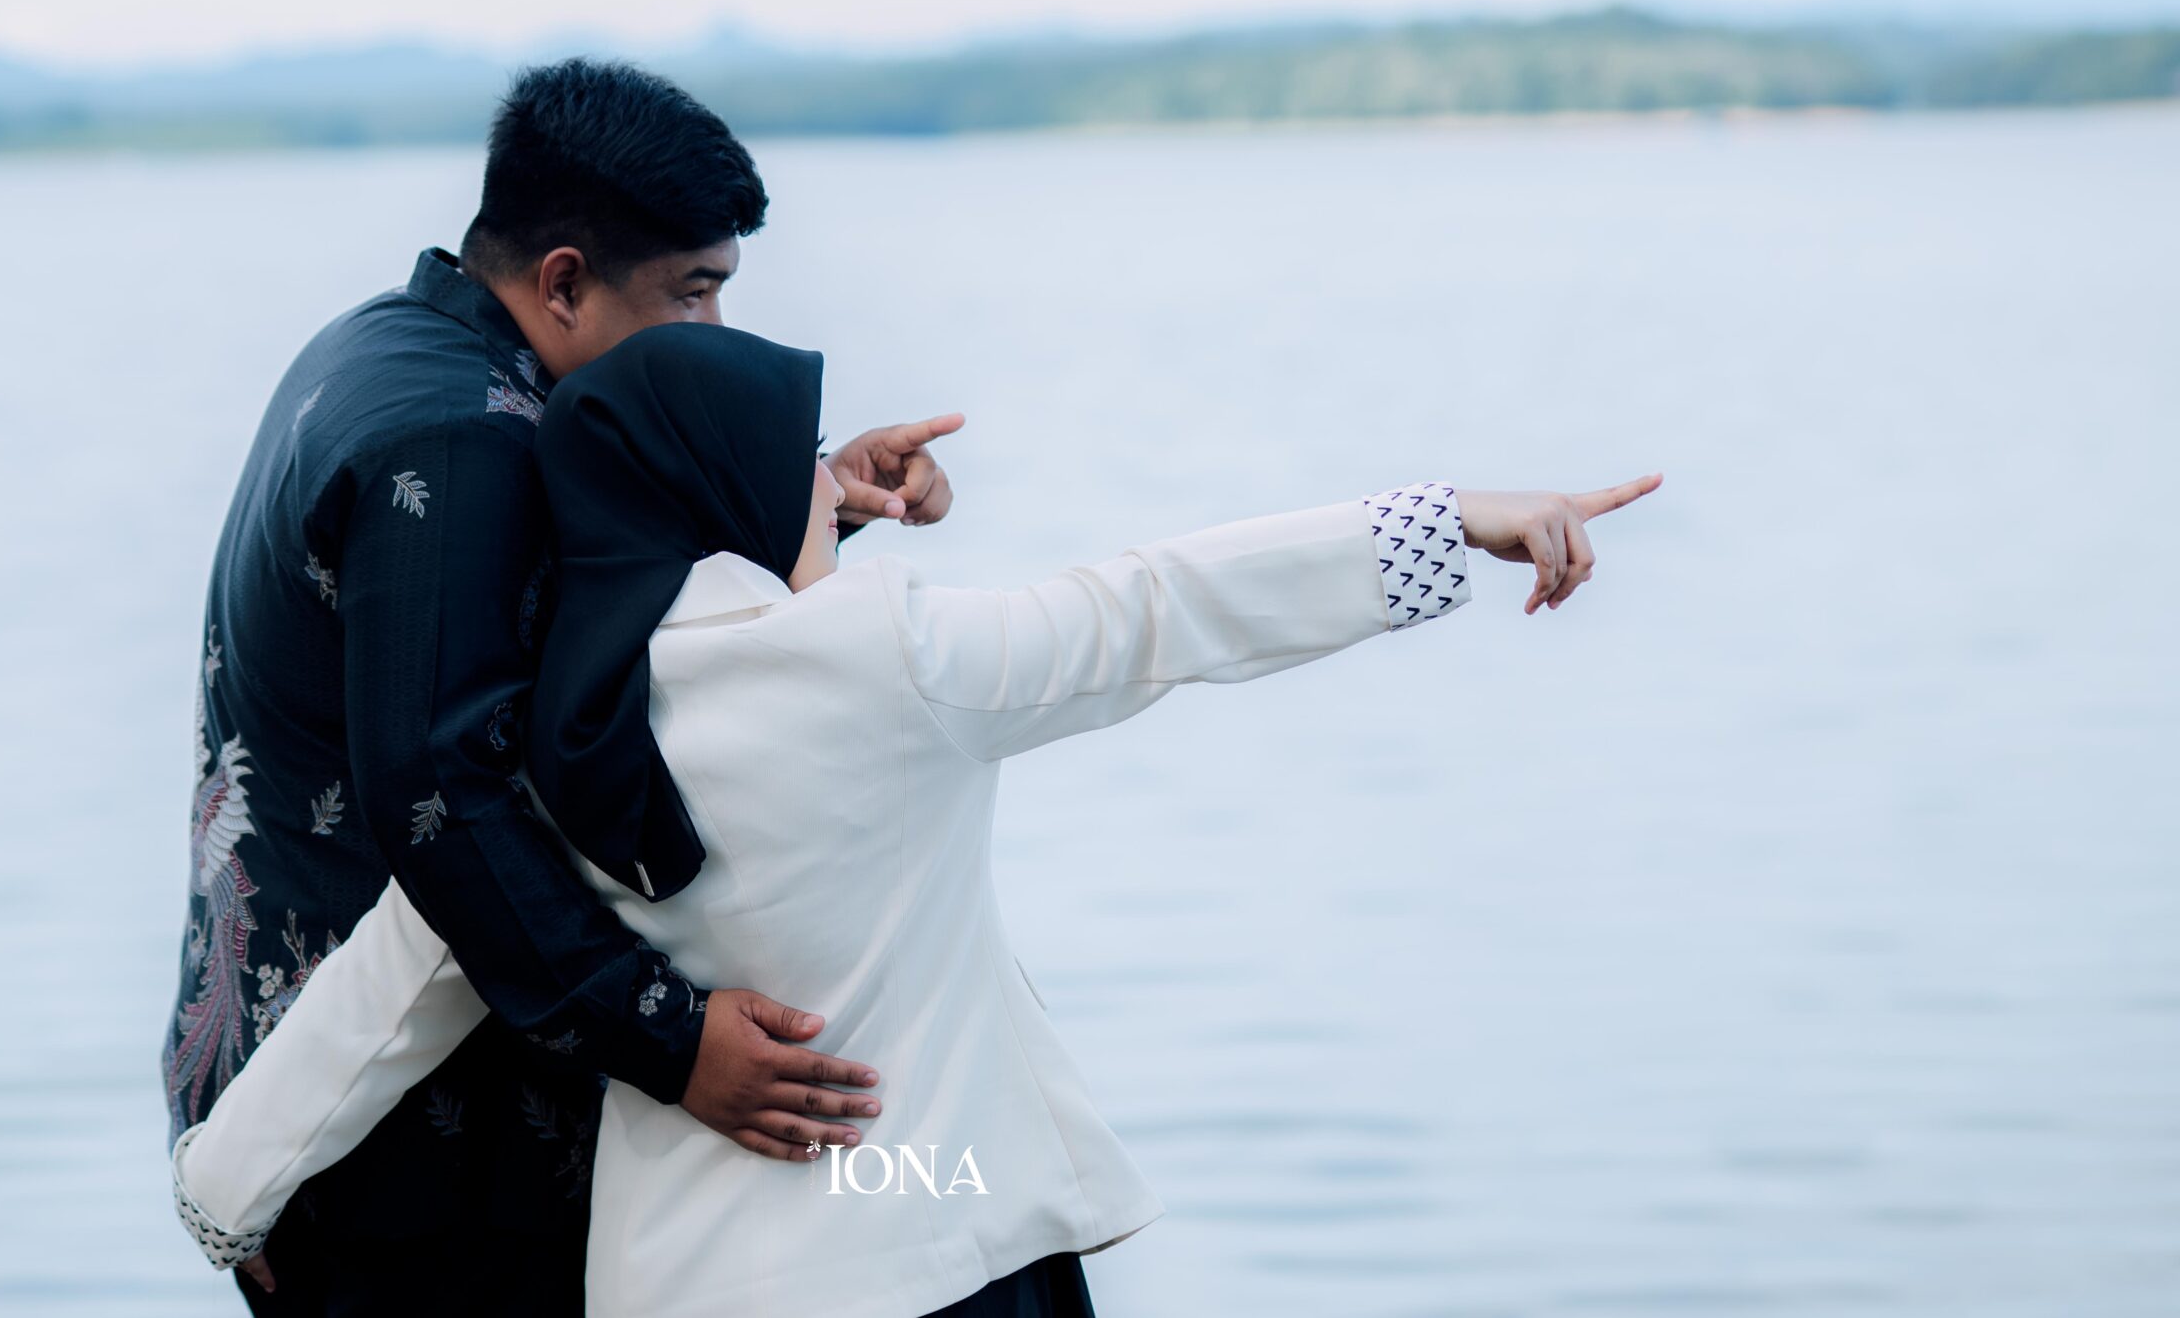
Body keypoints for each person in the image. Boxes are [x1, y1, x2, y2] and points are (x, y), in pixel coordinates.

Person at [171, 321, 1662, 1318]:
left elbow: (383, 1002)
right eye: (803, 473)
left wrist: (220, 1199)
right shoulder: (889, 655)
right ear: (733, 492)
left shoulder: (533, 757)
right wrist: (1446, 520)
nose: (830, 502)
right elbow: (1158, 605)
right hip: (939, 1247)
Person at [160, 60, 964, 1314]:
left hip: (318, 1084)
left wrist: (813, 501)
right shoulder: (456, 441)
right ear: (565, 281)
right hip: (391, 1138)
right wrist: (674, 1038)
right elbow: (445, 795)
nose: (713, 332)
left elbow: (548, 614)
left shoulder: (402, 340)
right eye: (693, 291)